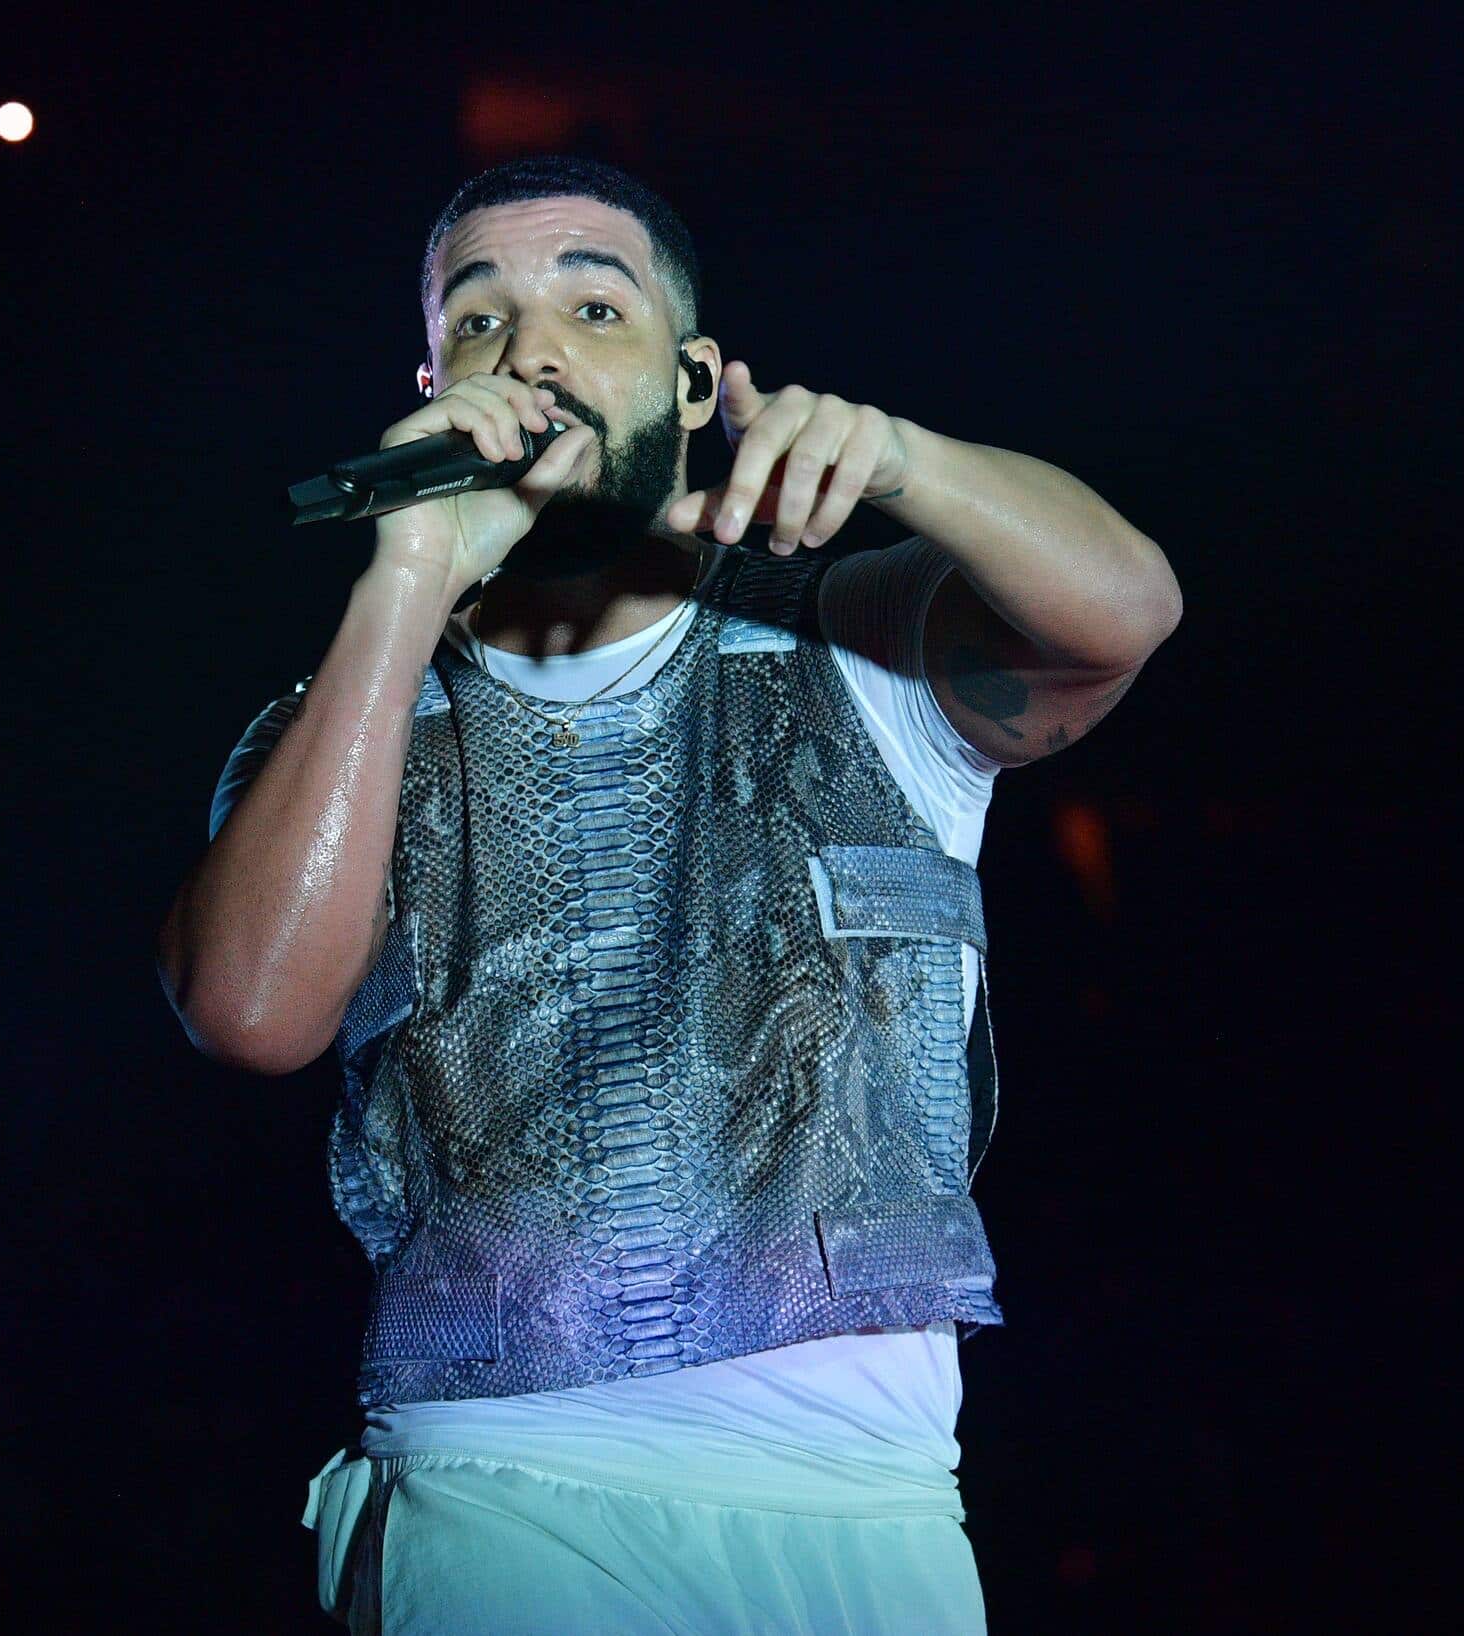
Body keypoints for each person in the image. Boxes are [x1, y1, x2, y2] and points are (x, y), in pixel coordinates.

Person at [157, 154, 1182, 1634]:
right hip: (501, 1488)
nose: (540, 351)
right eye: (485, 317)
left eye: (594, 304)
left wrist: (896, 459)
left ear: (694, 381)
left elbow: (1126, 608)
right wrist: (408, 577)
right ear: (433, 378)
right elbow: (248, 1014)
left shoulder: (857, 639)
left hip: (866, 1502)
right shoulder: (348, 722)